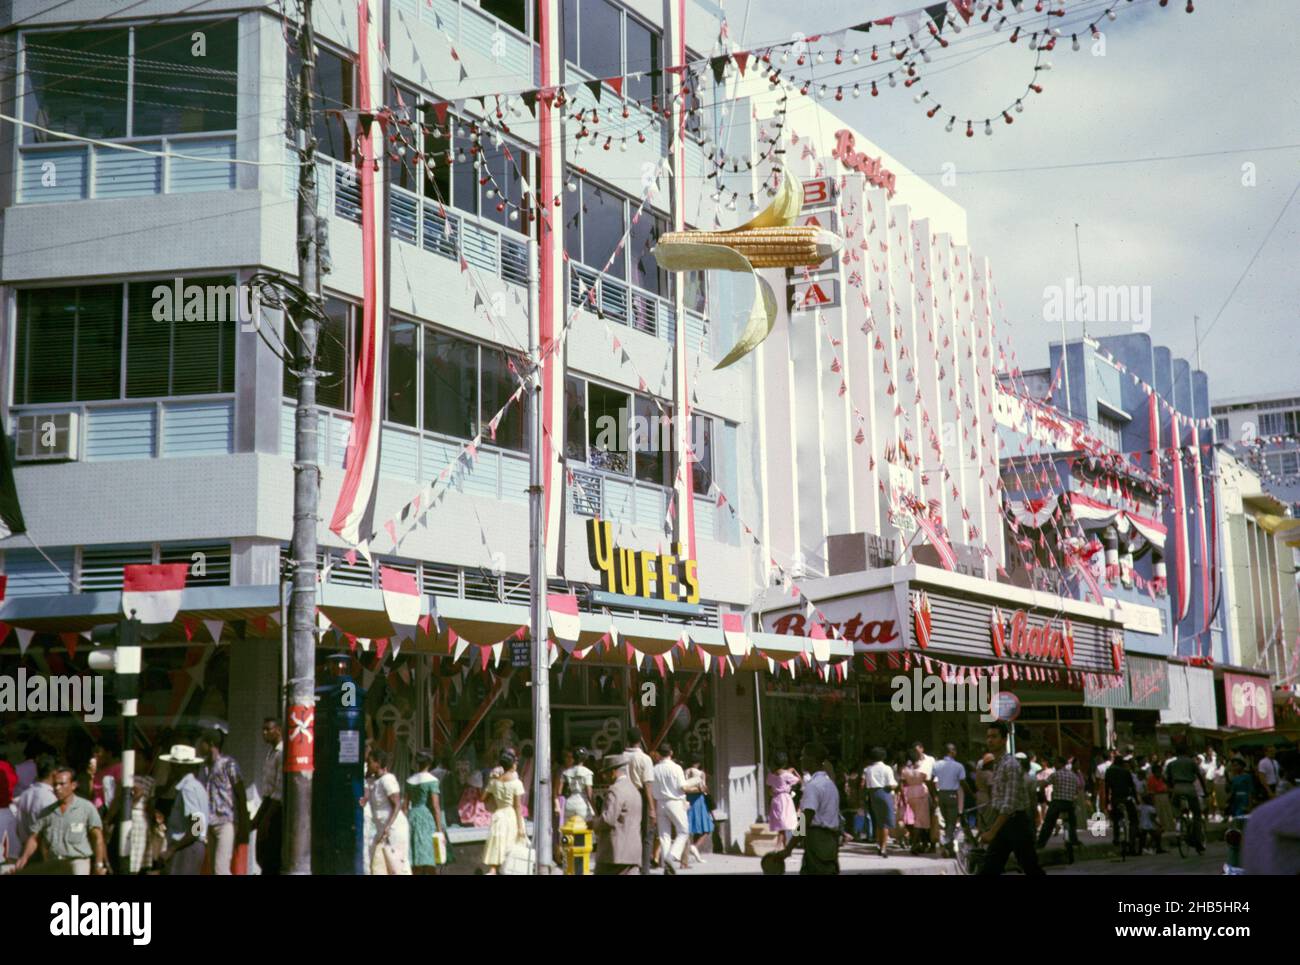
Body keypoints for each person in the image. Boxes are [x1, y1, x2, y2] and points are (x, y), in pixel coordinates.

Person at [14, 765, 109, 875]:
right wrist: (24, 858)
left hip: (77, 863)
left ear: (73, 785)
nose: (57, 788)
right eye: (55, 784)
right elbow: (34, 838)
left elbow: (97, 837)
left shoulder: (86, 808)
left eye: (62, 784)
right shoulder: (47, 812)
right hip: (54, 864)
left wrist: (99, 864)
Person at [978, 722, 1044, 876]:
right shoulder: (999, 764)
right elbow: (998, 800)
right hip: (1004, 823)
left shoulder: (1011, 765)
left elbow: (1009, 804)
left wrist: (992, 831)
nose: (990, 740)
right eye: (988, 737)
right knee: (990, 867)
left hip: (1016, 823)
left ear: (1004, 739)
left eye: (994, 737)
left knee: (1030, 867)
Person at [197, 727, 248, 875]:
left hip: (226, 822)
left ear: (211, 744)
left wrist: (243, 826)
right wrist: (198, 830)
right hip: (209, 823)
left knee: (221, 869)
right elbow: (198, 800)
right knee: (213, 868)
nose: (200, 746)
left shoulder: (229, 765)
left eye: (203, 742)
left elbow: (241, 795)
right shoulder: (204, 767)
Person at [158, 744, 209, 875]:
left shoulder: (188, 789)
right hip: (190, 846)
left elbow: (196, 827)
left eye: (174, 765)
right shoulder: (196, 787)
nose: (171, 769)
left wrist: (172, 849)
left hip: (187, 847)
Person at [363, 747, 411, 875]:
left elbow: (396, 805)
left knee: (397, 865)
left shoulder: (388, 779)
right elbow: (366, 792)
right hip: (382, 829)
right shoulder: (373, 781)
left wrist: (388, 827)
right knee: (381, 865)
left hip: (394, 828)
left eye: (370, 762)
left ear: (378, 763)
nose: (367, 764)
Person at [592, 753, 642, 875]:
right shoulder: (633, 789)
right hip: (633, 852)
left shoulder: (615, 790)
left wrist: (594, 823)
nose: (604, 777)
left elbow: (608, 819)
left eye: (605, 773)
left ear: (613, 772)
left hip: (614, 853)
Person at [796, 742, 840, 875]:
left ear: (812, 759)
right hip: (830, 839)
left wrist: (790, 846)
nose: (801, 759)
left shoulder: (813, 786)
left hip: (817, 838)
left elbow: (807, 816)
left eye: (803, 756)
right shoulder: (829, 784)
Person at [482, 750, 526, 874]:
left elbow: (482, 797)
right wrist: (520, 826)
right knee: (511, 846)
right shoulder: (516, 783)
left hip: (499, 814)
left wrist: (491, 780)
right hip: (511, 815)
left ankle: (493, 870)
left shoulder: (494, 781)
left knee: (498, 844)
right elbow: (517, 806)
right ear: (512, 765)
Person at [651, 743, 692, 873]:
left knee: (664, 835)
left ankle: (666, 863)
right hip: (675, 801)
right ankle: (672, 856)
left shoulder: (654, 769)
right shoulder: (677, 768)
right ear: (671, 753)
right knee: (683, 830)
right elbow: (683, 787)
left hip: (660, 802)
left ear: (659, 754)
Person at [407, 751, 449, 875]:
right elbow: (436, 806)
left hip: (412, 816)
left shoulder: (410, 780)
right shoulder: (432, 780)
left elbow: (404, 806)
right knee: (429, 856)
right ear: (429, 763)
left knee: (414, 856)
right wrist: (440, 829)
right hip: (425, 818)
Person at [1163, 741, 1206, 855]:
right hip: (1189, 788)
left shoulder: (1171, 764)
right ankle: (1198, 840)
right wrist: (1205, 790)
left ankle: (1179, 819)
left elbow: (1167, 778)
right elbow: (1199, 777)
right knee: (1197, 814)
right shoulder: (1191, 762)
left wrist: (1171, 787)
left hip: (1177, 788)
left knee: (1175, 805)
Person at [253, 716, 283, 876]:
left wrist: (267, 819)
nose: (264, 733)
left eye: (268, 730)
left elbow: (278, 791)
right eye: (262, 730)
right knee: (262, 855)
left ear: (278, 730)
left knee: (272, 856)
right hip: (268, 805)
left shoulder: (281, 753)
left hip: (277, 810)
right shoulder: (270, 753)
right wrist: (258, 818)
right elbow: (267, 791)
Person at [623, 733, 656, 875]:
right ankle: (644, 871)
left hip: (623, 795)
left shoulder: (622, 757)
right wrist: (652, 808)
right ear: (640, 740)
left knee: (627, 832)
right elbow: (647, 784)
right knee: (647, 834)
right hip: (640, 796)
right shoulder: (644, 759)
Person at [14, 754, 58, 855]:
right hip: (44, 853)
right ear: (54, 773)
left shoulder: (25, 794)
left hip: (26, 850)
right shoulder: (50, 799)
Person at [1036, 756, 1081, 850]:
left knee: (1048, 823)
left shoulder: (1055, 774)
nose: (1055, 765)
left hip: (1057, 803)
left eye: (1056, 763)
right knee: (1072, 823)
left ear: (1061, 764)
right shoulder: (1073, 776)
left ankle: (1040, 843)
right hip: (1069, 804)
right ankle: (1074, 840)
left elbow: (1043, 785)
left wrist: (1044, 798)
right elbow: (1077, 790)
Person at [861, 747, 897, 857]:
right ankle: (883, 847)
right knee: (885, 822)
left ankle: (878, 843)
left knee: (877, 821)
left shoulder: (867, 769)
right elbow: (891, 784)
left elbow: (864, 784)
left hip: (872, 794)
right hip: (884, 793)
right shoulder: (887, 768)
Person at [900, 749, 934, 854]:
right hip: (921, 792)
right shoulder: (922, 768)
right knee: (920, 821)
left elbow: (902, 782)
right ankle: (914, 844)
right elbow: (928, 780)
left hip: (910, 793)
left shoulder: (904, 770)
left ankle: (921, 843)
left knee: (918, 819)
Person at [1105, 755, 1140, 856]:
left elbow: (1107, 788)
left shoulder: (1109, 771)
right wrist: (1137, 800)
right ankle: (1131, 841)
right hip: (1126, 799)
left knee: (1116, 819)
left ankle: (1116, 838)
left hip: (1115, 799)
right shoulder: (1125, 772)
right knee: (1134, 820)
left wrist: (1106, 801)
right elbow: (1132, 787)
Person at [766, 751, 800, 845]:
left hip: (775, 799)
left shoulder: (771, 775)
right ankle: (777, 847)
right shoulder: (786, 775)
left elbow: (769, 788)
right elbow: (799, 780)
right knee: (783, 825)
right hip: (784, 799)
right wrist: (793, 770)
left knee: (781, 824)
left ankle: (785, 847)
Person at [683, 756, 713, 864]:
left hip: (687, 800)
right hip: (699, 801)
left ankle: (686, 853)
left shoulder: (685, 771)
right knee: (707, 827)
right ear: (698, 763)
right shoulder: (701, 773)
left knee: (688, 826)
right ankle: (694, 846)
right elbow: (703, 787)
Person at [560, 746, 595, 825]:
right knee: (586, 829)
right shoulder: (587, 772)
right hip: (583, 804)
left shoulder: (565, 772)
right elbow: (589, 794)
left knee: (569, 830)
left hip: (569, 804)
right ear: (585, 758)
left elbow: (559, 791)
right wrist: (594, 809)